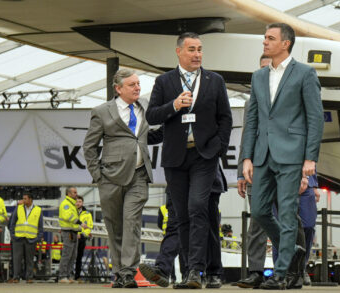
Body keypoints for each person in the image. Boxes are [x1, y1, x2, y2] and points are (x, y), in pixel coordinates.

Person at [145, 32, 232, 289]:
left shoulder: (215, 80)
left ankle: (197, 270)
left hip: (204, 155)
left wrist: (218, 147)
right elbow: (151, 115)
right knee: (181, 215)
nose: (197, 54)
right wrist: (173, 105)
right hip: (175, 158)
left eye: (200, 49)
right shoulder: (164, 81)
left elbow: (225, 118)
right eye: (192, 49)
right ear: (179, 51)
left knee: (197, 208)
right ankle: (186, 273)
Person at [241, 22, 324, 290]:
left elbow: (315, 117)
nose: (264, 42)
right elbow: (252, 119)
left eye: (270, 38)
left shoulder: (305, 73)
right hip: (263, 154)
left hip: (292, 154)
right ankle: (293, 249)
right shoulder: (258, 76)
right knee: (261, 212)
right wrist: (246, 157)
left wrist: (310, 158)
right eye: (265, 37)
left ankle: (280, 273)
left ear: (285, 43)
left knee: (288, 213)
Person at [83, 68, 161, 288]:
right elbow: (89, 147)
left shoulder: (145, 108)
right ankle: (119, 272)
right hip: (111, 178)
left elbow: (149, 134)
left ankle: (128, 272)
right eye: (132, 85)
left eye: (138, 84)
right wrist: (98, 176)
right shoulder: (101, 111)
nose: (137, 87)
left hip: (139, 175)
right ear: (118, 89)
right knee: (115, 226)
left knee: (131, 223)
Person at [236, 54, 273, 289]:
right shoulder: (252, 101)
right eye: (261, 70)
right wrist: (242, 168)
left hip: (284, 163)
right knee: (257, 219)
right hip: (257, 166)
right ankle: (256, 271)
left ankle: (293, 268)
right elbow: (246, 134)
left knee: (290, 219)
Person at [8, 192, 43, 283]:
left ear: (30, 199)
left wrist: (38, 238)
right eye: (23, 198)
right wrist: (13, 235)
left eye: (25, 198)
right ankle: (16, 277)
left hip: (31, 239)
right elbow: (12, 223)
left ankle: (29, 277)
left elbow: (40, 226)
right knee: (17, 259)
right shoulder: (18, 208)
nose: (23, 200)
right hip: (18, 238)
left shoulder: (38, 210)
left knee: (30, 260)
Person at [57, 187, 86, 283]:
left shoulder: (72, 204)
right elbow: (68, 216)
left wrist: (79, 228)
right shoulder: (66, 204)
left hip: (73, 232)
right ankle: (62, 276)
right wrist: (80, 223)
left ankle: (68, 275)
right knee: (67, 254)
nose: (76, 194)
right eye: (74, 192)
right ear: (69, 193)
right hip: (68, 232)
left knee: (73, 255)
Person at [75, 196, 93, 281]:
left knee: (79, 257)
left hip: (82, 238)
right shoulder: (71, 212)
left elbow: (90, 227)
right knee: (70, 257)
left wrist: (82, 235)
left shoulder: (87, 214)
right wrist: (76, 234)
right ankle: (66, 276)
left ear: (82, 203)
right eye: (77, 201)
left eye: (80, 201)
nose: (78, 203)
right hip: (72, 237)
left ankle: (77, 277)